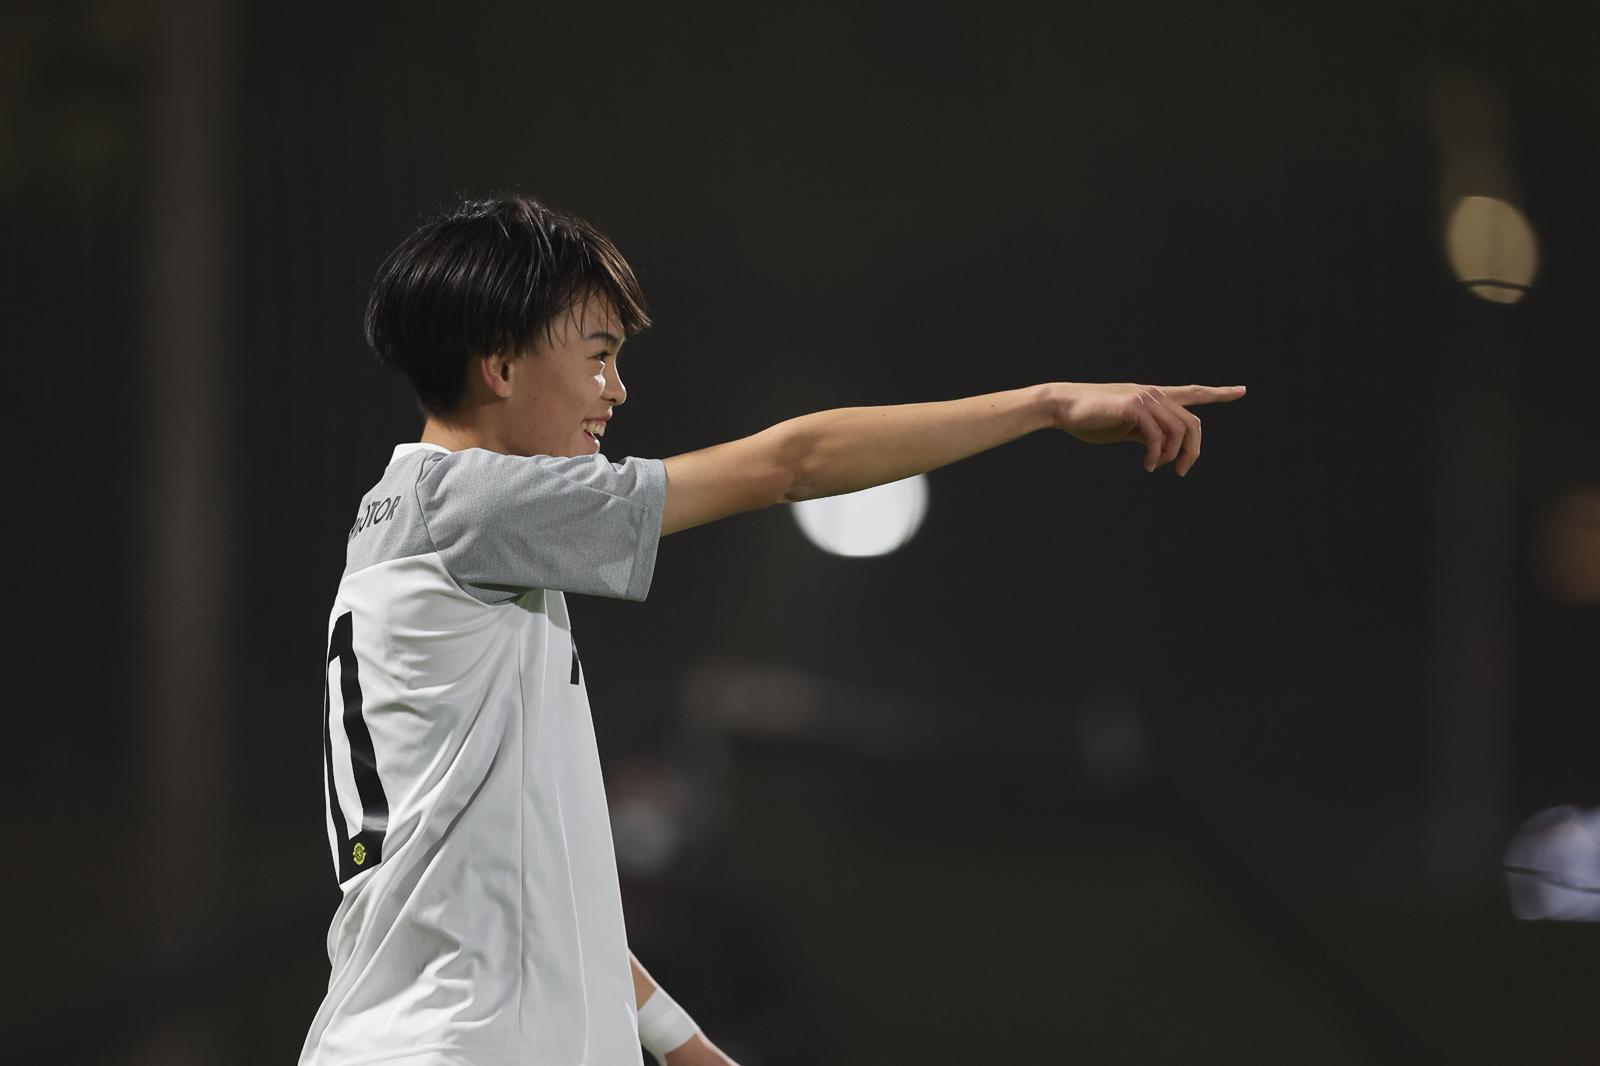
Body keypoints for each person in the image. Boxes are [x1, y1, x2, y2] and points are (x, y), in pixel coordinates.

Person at [300, 192, 1247, 1066]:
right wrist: (1044, 407)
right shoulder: (476, 508)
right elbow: (795, 463)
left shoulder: (422, 526)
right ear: (501, 365)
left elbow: (533, 886)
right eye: (595, 355)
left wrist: (688, 1050)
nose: (616, 389)